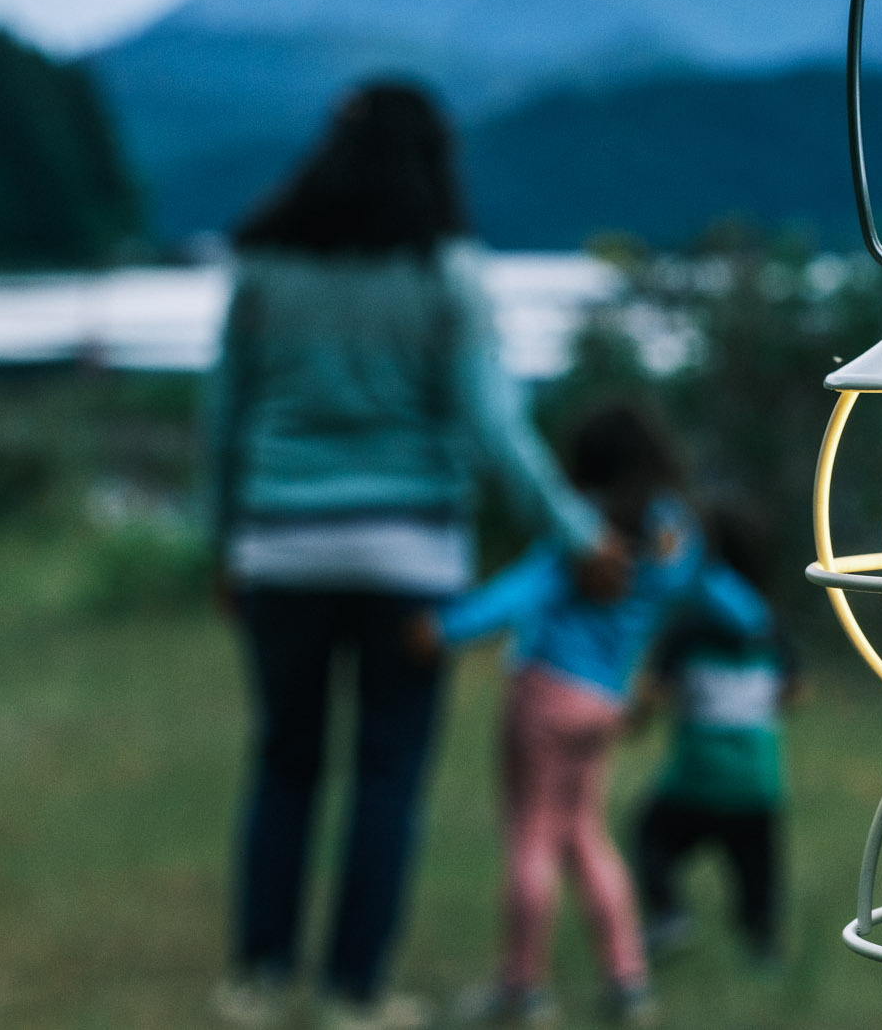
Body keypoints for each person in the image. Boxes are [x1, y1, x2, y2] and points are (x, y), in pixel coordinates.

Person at [206, 82, 622, 1030]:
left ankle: (257, 981)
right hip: (409, 557)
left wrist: (224, 543)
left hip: (278, 549)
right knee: (386, 775)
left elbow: (221, 420)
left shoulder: (263, 264)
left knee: (284, 761)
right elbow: (493, 427)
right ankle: (357, 993)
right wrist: (579, 532)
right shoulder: (447, 273)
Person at [416, 404, 769, 1026]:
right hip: (606, 703)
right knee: (584, 836)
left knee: (532, 838)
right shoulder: (679, 537)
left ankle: (522, 990)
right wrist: (756, 625)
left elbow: (517, 593)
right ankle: (628, 984)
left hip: (546, 693)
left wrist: (440, 631)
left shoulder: (588, 533)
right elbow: (737, 609)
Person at [630, 501, 799, 966]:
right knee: (758, 879)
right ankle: (763, 955)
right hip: (756, 778)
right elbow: (796, 690)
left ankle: (666, 914)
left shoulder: (688, 623)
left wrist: (632, 721)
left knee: (650, 839)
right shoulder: (770, 622)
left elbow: (652, 693)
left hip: (697, 777)